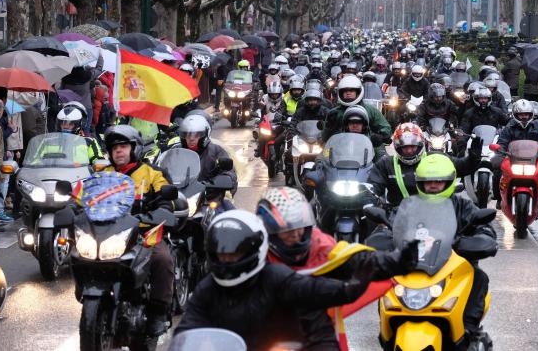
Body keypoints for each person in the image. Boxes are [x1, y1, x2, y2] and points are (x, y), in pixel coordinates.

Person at [175, 210, 377, 350]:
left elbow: (316, 312)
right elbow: (187, 329)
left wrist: (348, 290)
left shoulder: (279, 278)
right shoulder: (207, 288)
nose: (227, 261)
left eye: (234, 255)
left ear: (254, 249)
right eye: (221, 255)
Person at [256, 187, 418, 349]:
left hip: (317, 332)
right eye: (287, 229)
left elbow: (358, 260)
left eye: (300, 226)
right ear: (269, 230)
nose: (296, 234)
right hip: (266, 334)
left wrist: (396, 261)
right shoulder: (254, 256)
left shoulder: (320, 245)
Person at [406, 154, 497, 343]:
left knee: (479, 277)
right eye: (427, 182)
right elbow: (391, 225)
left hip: (454, 267)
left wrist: (479, 240)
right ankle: (388, 326)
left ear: (449, 181)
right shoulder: (409, 206)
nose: (432, 185)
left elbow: (484, 228)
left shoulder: (463, 205)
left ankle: (468, 330)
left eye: (438, 181)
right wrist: (381, 237)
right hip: (413, 267)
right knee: (387, 281)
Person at [102, 125, 175, 335]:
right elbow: (82, 197)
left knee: (162, 259)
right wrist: (73, 208)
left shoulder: (152, 173)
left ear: (135, 148)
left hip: (144, 235)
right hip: (109, 235)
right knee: (81, 255)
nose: (118, 151)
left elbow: (166, 200)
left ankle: (158, 313)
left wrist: (158, 213)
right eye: (114, 147)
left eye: (123, 146)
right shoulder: (102, 175)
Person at [368, 123, 483, 207]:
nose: (409, 151)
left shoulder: (438, 158)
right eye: (404, 147)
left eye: (412, 146)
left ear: (421, 144)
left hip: (435, 214)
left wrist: (474, 157)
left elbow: (464, 167)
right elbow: (372, 188)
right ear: (397, 147)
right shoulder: (385, 163)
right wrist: (371, 201)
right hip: (397, 216)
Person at [322, 76, 392, 160]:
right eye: (345, 91)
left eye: (351, 90)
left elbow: (386, 128)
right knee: (322, 158)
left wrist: (380, 136)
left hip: (368, 144)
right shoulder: (333, 113)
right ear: (340, 93)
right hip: (340, 146)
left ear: (358, 92)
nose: (348, 93)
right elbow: (325, 138)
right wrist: (329, 126)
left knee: (383, 159)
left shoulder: (371, 110)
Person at [176, 113, 237, 188]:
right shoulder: (177, 152)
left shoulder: (216, 150)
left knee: (227, 199)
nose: (191, 138)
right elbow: (167, 172)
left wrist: (218, 182)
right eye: (187, 135)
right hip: (182, 194)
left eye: (196, 135)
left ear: (204, 135)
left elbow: (229, 173)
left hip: (209, 194)